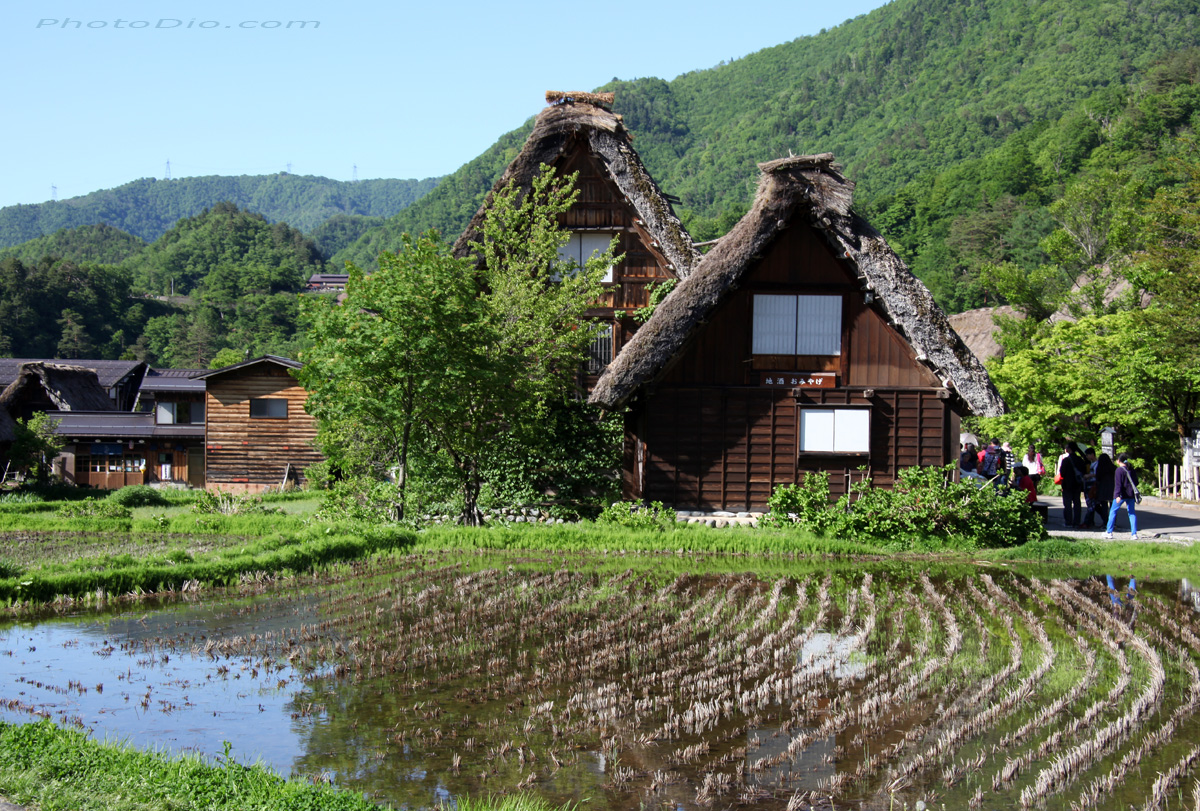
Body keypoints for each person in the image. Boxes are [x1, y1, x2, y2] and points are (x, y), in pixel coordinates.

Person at [1105, 453, 1140, 539]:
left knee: (1113, 511)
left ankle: (1109, 532)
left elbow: (1118, 484)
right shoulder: (1131, 469)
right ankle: (1134, 534)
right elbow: (1136, 482)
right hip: (1131, 495)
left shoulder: (1119, 470)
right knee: (1132, 513)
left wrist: (1117, 495)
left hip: (1121, 495)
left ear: (1118, 461)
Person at [1058, 441, 1086, 528]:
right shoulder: (1080, 460)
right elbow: (1084, 471)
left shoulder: (1066, 460)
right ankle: (1077, 521)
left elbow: (1062, 473)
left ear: (1069, 449)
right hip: (1077, 484)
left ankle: (1068, 521)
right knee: (1077, 503)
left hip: (1067, 484)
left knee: (1067, 503)